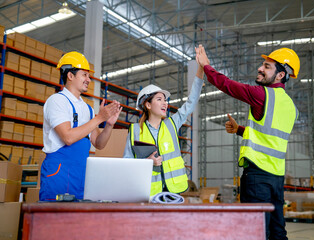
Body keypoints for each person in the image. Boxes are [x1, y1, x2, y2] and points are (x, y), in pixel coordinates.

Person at [196, 46, 299, 240]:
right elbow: (268, 134)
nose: (260, 68)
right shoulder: (291, 107)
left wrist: (207, 66)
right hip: (276, 179)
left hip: (257, 177)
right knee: (278, 232)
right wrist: (240, 130)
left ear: (280, 75)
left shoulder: (263, 95)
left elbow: (227, 84)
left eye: (267, 66)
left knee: (256, 232)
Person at [40, 51, 122, 201]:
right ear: (70, 76)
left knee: (76, 222)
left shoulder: (87, 109)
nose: (88, 80)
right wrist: (99, 118)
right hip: (59, 173)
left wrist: (109, 125)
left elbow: (99, 143)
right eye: (84, 75)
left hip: (80, 175)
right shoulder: (57, 101)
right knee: (53, 220)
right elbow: (68, 137)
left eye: (88, 76)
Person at [123, 47, 205, 197]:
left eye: (165, 100)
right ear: (147, 105)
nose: (165, 103)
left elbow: (191, 102)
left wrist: (201, 69)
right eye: (159, 99)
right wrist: (147, 163)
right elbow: (126, 163)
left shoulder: (172, 124)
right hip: (148, 193)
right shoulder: (135, 130)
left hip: (173, 191)